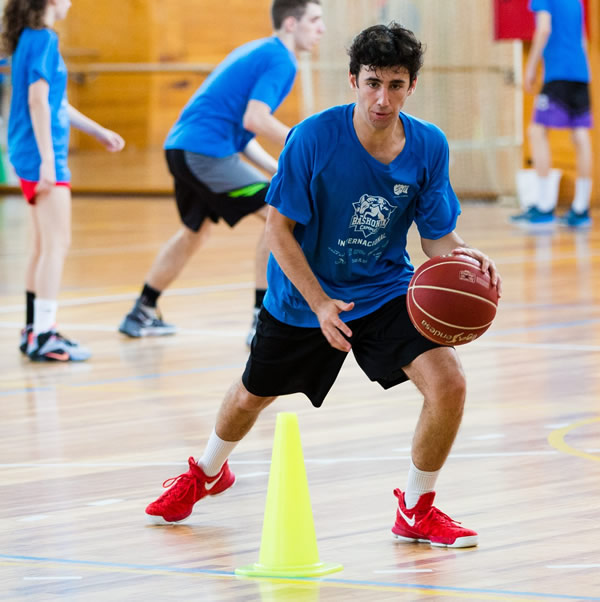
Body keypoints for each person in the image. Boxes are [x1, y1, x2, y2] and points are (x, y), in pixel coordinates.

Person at [144, 22, 502, 549]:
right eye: (373, 82)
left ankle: (416, 508)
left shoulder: (428, 146)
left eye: (396, 84)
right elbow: (277, 230)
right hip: (302, 294)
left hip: (383, 289)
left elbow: (438, 237)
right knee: (251, 397)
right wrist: (319, 303)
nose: (383, 97)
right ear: (353, 80)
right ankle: (206, 472)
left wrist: (468, 258)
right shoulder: (313, 137)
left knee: (449, 383)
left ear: (411, 87)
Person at [118, 0, 325, 346]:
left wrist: (281, 169)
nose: (321, 29)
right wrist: (308, 147)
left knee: (193, 234)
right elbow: (256, 120)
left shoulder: (260, 50)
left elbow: (243, 134)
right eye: (315, 20)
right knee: (279, 213)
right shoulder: (280, 60)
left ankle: (141, 311)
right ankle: (263, 319)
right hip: (205, 153)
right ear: (291, 23)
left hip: (185, 149)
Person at [3, 0, 125, 362]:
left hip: (27, 153)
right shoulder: (43, 40)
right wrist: (46, 163)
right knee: (57, 245)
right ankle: (45, 334)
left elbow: (54, 102)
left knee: (42, 247)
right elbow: (38, 102)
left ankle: (32, 331)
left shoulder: (28, 38)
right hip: (42, 156)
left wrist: (97, 130)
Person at [511, 0, 593, 227]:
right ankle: (581, 208)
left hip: (558, 72)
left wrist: (531, 67)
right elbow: (583, 39)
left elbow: (544, 28)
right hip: (580, 73)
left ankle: (545, 206)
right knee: (580, 135)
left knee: (536, 131)